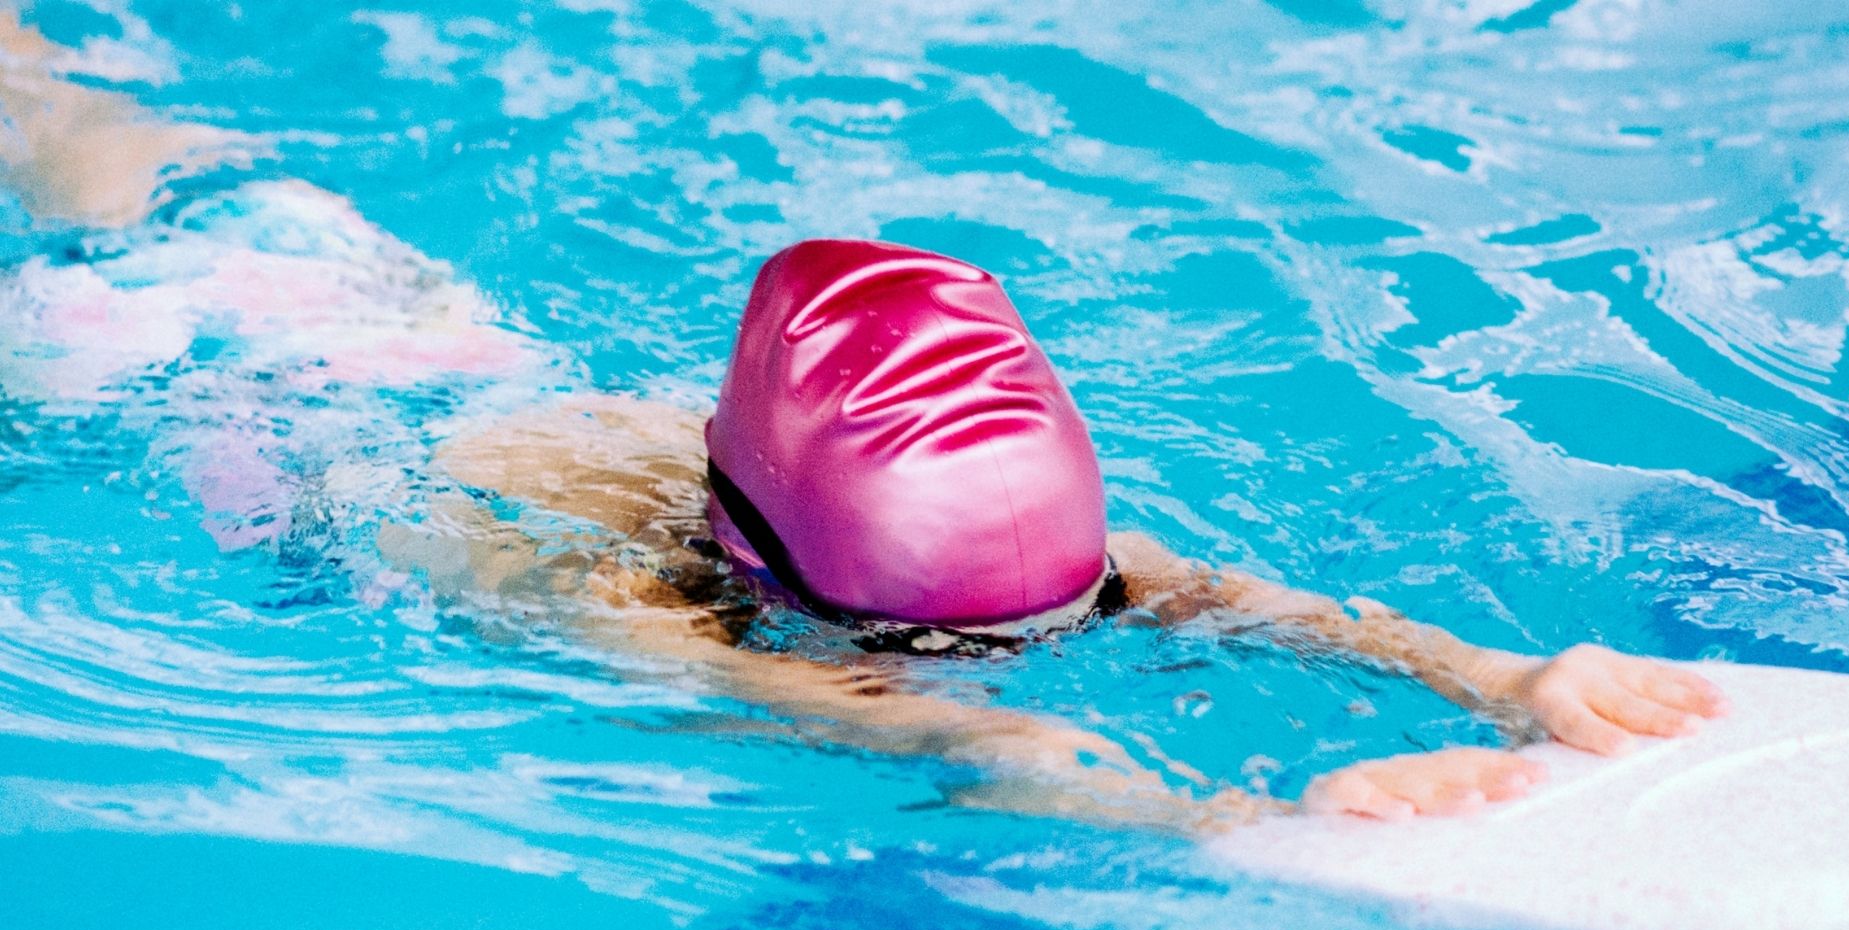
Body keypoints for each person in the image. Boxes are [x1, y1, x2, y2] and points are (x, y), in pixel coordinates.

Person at [1, 12, 1723, 835]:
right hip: (189, 392)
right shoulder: (611, 607)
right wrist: (1252, 829)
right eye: (928, 635)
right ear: (773, 586)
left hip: (397, 329)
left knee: (98, 135)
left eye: (1039, 618)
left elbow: (1241, 600)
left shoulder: (930, 531)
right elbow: (972, 745)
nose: (990, 661)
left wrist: (1498, 682)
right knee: (80, 194)